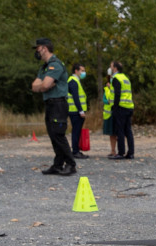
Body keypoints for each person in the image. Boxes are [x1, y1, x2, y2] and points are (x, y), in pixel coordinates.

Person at [31, 38, 76, 176]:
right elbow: (35, 86)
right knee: (53, 135)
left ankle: (71, 164)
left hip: (58, 104)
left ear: (44, 48)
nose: (37, 52)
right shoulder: (44, 67)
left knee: (58, 134)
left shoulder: (55, 65)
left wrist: (45, 85)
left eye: (38, 48)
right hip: (50, 103)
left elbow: (44, 85)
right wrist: (45, 85)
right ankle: (58, 165)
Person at [107, 61, 135, 160]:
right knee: (128, 131)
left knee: (120, 130)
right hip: (129, 106)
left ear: (115, 68)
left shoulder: (116, 78)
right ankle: (131, 153)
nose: (110, 69)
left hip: (120, 108)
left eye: (111, 67)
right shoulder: (125, 78)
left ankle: (121, 152)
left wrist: (115, 107)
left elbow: (117, 94)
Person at [68, 63, 89, 159]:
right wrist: (81, 111)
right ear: (76, 71)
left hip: (76, 111)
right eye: (82, 70)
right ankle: (75, 151)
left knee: (77, 131)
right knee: (76, 131)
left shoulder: (76, 80)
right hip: (75, 111)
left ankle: (76, 150)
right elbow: (75, 97)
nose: (84, 72)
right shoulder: (73, 81)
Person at [102, 76, 117, 157]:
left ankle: (120, 150)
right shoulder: (106, 89)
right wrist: (107, 101)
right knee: (112, 134)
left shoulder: (117, 87)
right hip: (109, 114)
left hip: (116, 113)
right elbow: (104, 99)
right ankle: (113, 150)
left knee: (118, 133)